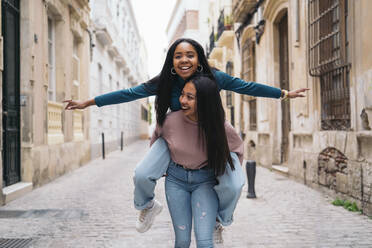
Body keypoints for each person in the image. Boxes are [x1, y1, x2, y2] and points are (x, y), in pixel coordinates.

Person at [64, 38, 308, 240]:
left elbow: (246, 86)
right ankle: (148, 206)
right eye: (178, 56)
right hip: (176, 134)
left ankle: (218, 221)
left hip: (211, 135)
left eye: (190, 55)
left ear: (199, 58)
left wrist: (283, 94)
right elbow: (129, 93)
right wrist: (90, 102)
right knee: (141, 174)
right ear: (172, 61)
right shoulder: (164, 82)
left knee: (234, 184)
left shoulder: (214, 77)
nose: (184, 60)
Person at [151, 75, 243, 247]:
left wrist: (228, 176)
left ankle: (218, 221)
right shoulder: (170, 120)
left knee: (204, 242)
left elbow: (237, 150)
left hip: (205, 182)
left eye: (190, 97)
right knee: (182, 240)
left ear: (205, 102)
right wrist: (158, 166)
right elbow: (157, 139)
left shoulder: (219, 125)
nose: (183, 100)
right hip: (175, 181)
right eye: (182, 94)